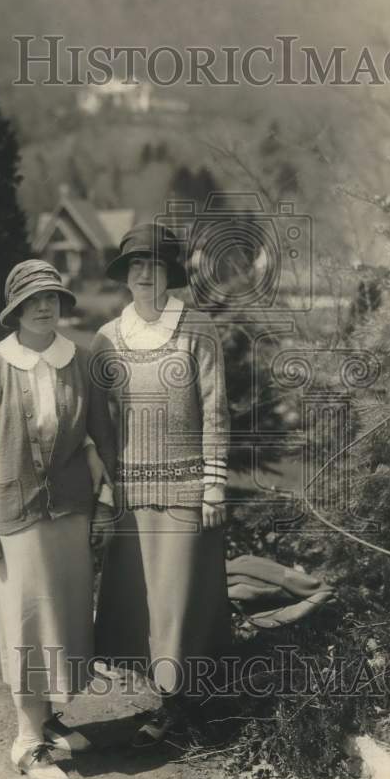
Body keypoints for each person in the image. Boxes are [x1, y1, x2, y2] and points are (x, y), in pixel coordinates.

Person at [0, 259, 115, 779]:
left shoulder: (80, 359)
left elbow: (99, 436)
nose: (45, 306)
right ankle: (26, 742)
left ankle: (48, 719)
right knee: (27, 622)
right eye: (33, 300)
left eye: (52, 297)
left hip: (70, 511)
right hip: (15, 515)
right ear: (16, 310)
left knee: (66, 617)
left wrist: (105, 497)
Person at [90, 223, 232, 748]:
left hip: (186, 490)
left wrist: (214, 485)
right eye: (135, 266)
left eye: (153, 265)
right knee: (142, 604)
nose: (144, 274)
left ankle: (187, 710)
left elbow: (217, 410)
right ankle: (167, 703)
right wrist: (109, 486)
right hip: (132, 493)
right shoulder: (107, 338)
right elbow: (102, 422)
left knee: (181, 604)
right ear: (125, 275)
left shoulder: (197, 329)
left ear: (169, 273)